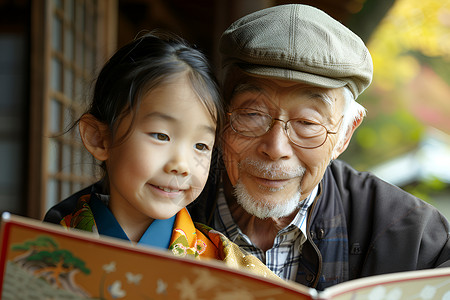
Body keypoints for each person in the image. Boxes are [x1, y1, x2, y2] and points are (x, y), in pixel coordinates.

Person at [186, 4, 450, 290]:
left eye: (307, 123)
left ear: (345, 133)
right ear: (220, 114)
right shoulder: (166, 196)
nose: (275, 148)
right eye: (252, 115)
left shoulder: (412, 236)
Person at [43, 31, 279, 280]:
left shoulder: (231, 269)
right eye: (161, 136)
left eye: (201, 145)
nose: (181, 165)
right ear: (99, 138)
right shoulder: (45, 253)